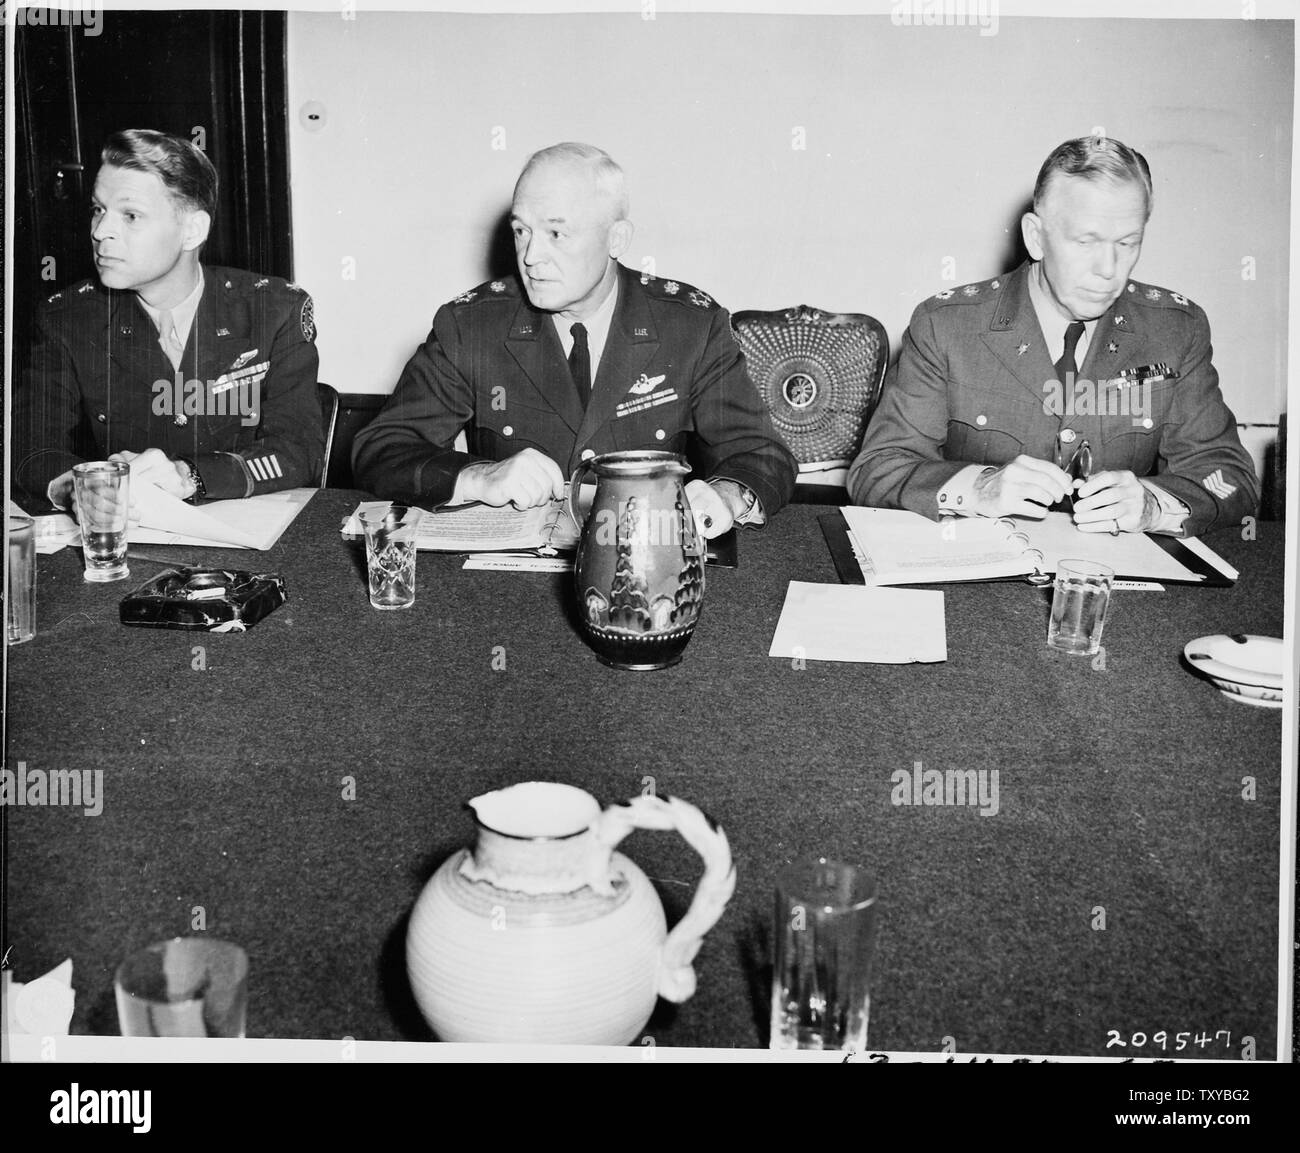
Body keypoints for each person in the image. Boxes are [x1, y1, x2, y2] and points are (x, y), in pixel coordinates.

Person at [352, 142, 796, 537]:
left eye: (556, 234)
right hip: (509, 583)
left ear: (616, 238)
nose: (530, 256)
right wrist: (477, 478)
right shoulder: (472, 327)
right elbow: (380, 448)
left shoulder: (690, 328)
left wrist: (728, 496)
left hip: (641, 568)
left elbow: (761, 453)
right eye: (521, 230)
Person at [847, 135, 1258, 537]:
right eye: (1086, 241)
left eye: (1128, 243)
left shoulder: (1174, 330)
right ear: (1035, 237)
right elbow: (877, 470)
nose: (1109, 268)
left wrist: (1155, 504)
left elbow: (1230, 477)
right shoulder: (947, 327)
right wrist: (978, 487)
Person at [12, 129, 324, 513]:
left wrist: (190, 475)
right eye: (98, 209)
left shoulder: (272, 311)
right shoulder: (69, 319)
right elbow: (27, 446)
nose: (100, 231)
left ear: (192, 230)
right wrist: (77, 486)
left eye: (130, 215)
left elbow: (299, 451)